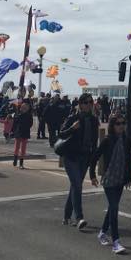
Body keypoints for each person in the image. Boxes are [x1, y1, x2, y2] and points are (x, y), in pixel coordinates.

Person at [91, 115, 131, 252]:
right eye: (118, 123)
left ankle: (102, 233)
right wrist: (92, 175)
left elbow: (130, 160)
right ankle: (116, 242)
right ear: (112, 126)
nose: (121, 126)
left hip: (120, 179)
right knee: (114, 208)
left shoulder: (127, 141)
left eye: (123, 123)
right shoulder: (108, 140)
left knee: (112, 208)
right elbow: (95, 157)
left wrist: (130, 178)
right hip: (109, 179)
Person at [57, 93, 99, 229]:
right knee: (77, 185)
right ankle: (79, 217)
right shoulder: (73, 118)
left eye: (90, 102)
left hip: (85, 157)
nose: (88, 105)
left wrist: (93, 160)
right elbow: (61, 134)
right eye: (86, 102)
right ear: (80, 104)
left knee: (75, 186)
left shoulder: (93, 120)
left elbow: (94, 141)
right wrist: (72, 128)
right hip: (71, 157)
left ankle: (66, 215)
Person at [12, 101, 33, 169]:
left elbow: (31, 124)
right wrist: (13, 131)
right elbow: (15, 122)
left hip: (25, 132)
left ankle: (21, 163)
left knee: (23, 149)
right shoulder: (18, 114)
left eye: (26, 107)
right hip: (18, 132)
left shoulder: (29, 115)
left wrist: (26, 127)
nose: (24, 109)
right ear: (21, 108)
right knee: (17, 147)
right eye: (23, 107)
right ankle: (15, 158)